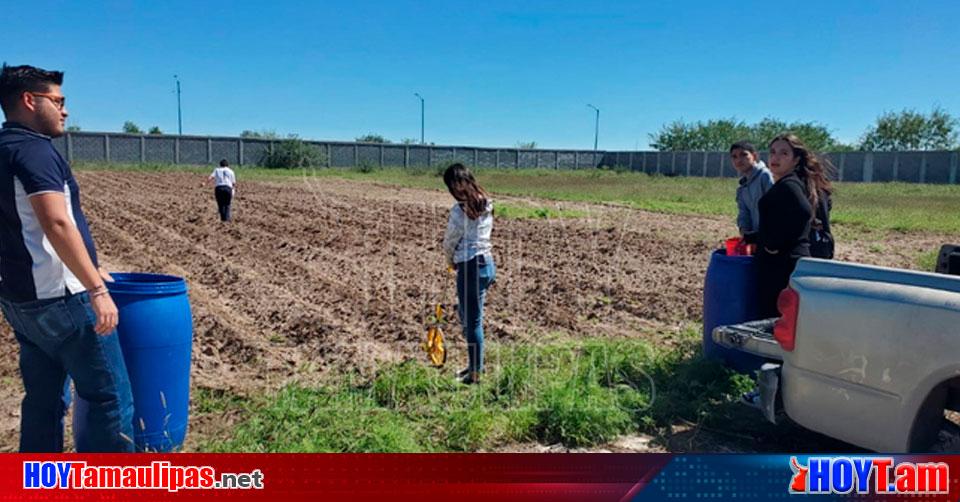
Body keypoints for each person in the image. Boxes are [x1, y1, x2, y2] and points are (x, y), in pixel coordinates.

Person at [0, 63, 133, 452]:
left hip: (21, 300)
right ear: (29, 100)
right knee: (108, 397)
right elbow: (57, 222)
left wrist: (91, 264)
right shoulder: (34, 150)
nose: (65, 110)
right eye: (58, 100)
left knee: (42, 401)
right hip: (64, 300)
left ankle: (36, 485)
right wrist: (95, 287)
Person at [748, 133, 834, 319]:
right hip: (795, 261)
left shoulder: (789, 184)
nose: (775, 158)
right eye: (772, 152)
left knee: (773, 319)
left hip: (781, 265)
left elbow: (802, 212)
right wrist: (754, 237)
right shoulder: (801, 183)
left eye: (784, 153)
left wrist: (773, 246)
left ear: (796, 160)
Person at [441, 163, 495, 385]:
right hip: (487, 264)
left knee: (471, 322)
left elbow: (451, 240)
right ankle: (475, 366)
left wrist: (449, 260)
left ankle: (475, 376)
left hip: (470, 266)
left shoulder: (458, 211)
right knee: (469, 317)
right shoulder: (488, 203)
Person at [730, 141, 773, 238]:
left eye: (743, 155)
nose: (739, 160)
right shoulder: (742, 187)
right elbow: (744, 213)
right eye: (734, 157)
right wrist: (745, 233)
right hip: (757, 239)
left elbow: (776, 209)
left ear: (754, 156)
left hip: (772, 238)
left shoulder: (765, 176)